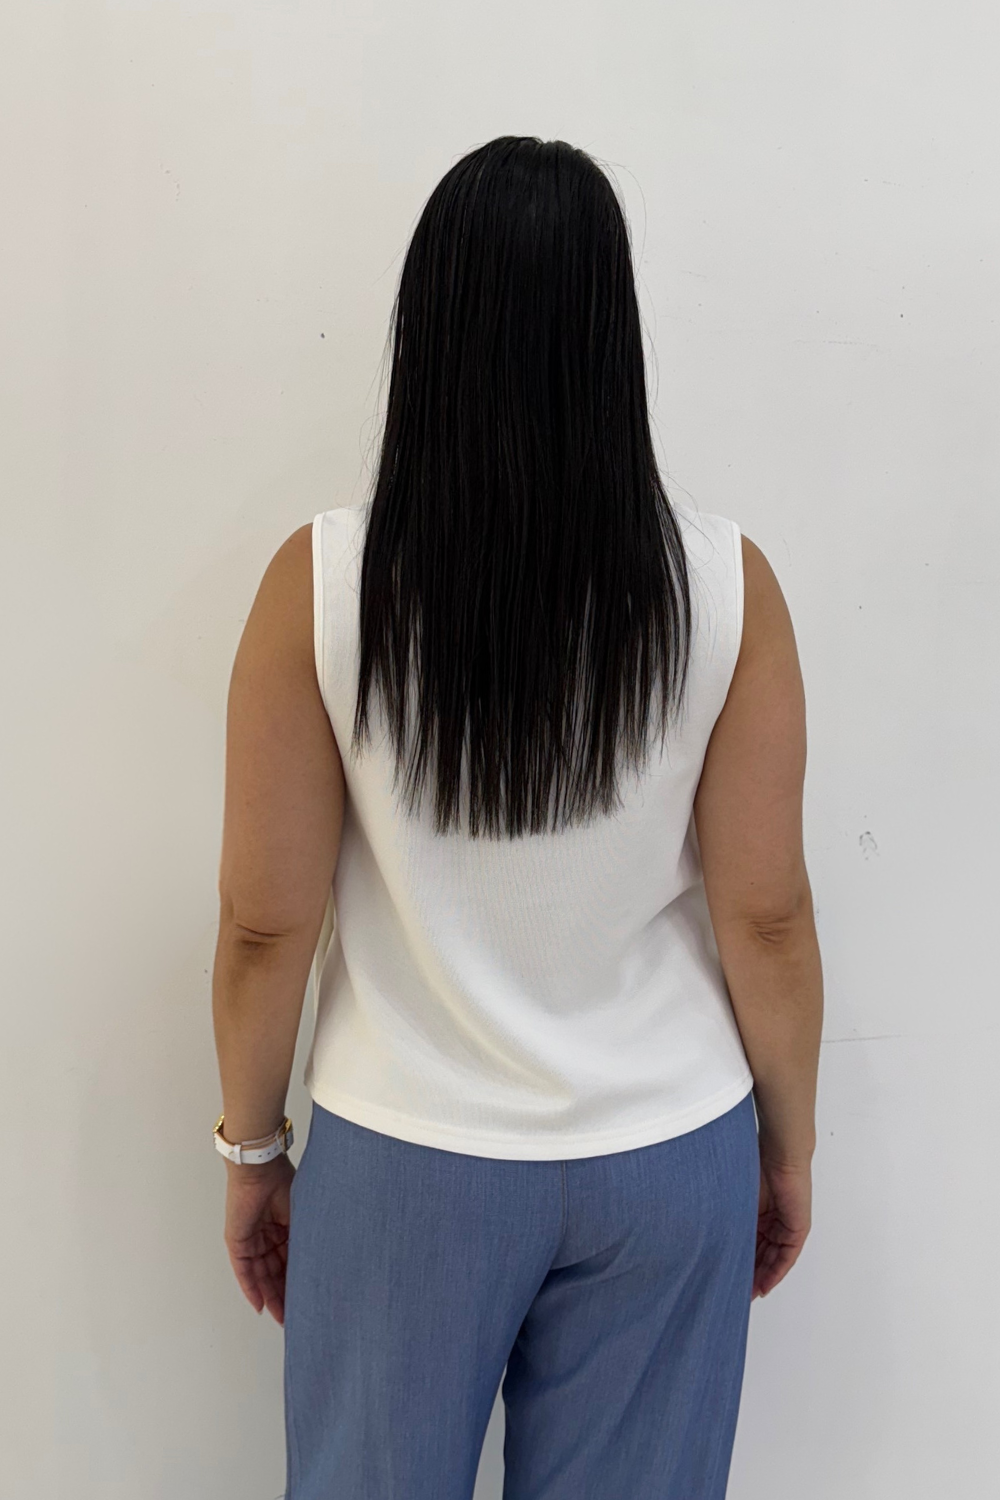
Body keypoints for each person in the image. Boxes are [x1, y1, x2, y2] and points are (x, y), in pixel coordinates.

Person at [211, 135, 823, 1500]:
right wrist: (785, 1146)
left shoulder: (324, 585)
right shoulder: (729, 589)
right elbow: (768, 918)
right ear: (613, 341)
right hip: (668, 1152)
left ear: (426, 331)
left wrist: (253, 1152)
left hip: (406, 1156)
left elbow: (263, 925)